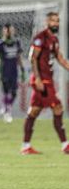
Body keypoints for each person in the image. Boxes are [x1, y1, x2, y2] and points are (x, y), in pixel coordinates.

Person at [21, 12, 69, 155]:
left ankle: (25, 146)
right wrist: (37, 78)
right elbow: (32, 58)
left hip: (47, 80)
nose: (56, 24)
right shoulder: (40, 38)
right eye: (53, 21)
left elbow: (60, 58)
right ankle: (66, 145)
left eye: (58, 21)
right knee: (58, 107)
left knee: (34, 111)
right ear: (47, 22)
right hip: (43, 81)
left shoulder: (54, 39)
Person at [0, 23, 25, 123]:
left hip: (14, 72)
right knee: (6, 91)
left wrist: (23, 70)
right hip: (4, 72)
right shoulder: (0, 44)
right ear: (3, 31)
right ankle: (7, 112)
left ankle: (5, 108)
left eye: (10, 30)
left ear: (13, 31)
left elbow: (19, 57)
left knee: (14, 93)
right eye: (6, 30)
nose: (8, 31)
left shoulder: (17, 43)